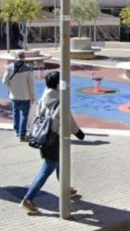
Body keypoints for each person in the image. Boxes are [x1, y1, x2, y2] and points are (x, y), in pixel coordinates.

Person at [21, 71, 85, 214]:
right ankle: (28, 199)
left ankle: (66, 189)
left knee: (59, 164)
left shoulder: (45, 96)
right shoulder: (60, 100)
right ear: (57, 84)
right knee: (47, 168)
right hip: (54, 139)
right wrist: (78, 132)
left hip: (44, 136)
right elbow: (67, 118)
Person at [2, 50, 36, 141]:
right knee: (25, 115)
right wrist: (33, 96)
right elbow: (31, 84)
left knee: (15, 113)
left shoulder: (9, 68)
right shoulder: (28, 68)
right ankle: (22, 134)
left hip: (14, 95)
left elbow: (4, 81)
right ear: (24, 57)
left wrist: (11, 87)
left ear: (16, 57)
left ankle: (16, 131)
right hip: (25, 96)